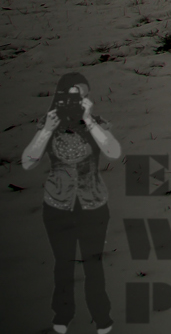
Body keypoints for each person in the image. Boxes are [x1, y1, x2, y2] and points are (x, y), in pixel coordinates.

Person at [22, 72, 121, 334]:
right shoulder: (48, 124)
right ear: (59, 96)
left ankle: (102, 317)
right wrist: (46, 131)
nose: (78, 101)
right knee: (62, 263)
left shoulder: (97, 124)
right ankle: (63, 315)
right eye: (72, 95)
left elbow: (114, 152)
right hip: (57, 207)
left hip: (94, 205)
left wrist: (89, 121)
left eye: (84, 96)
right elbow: (27, 162)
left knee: (94, 265)